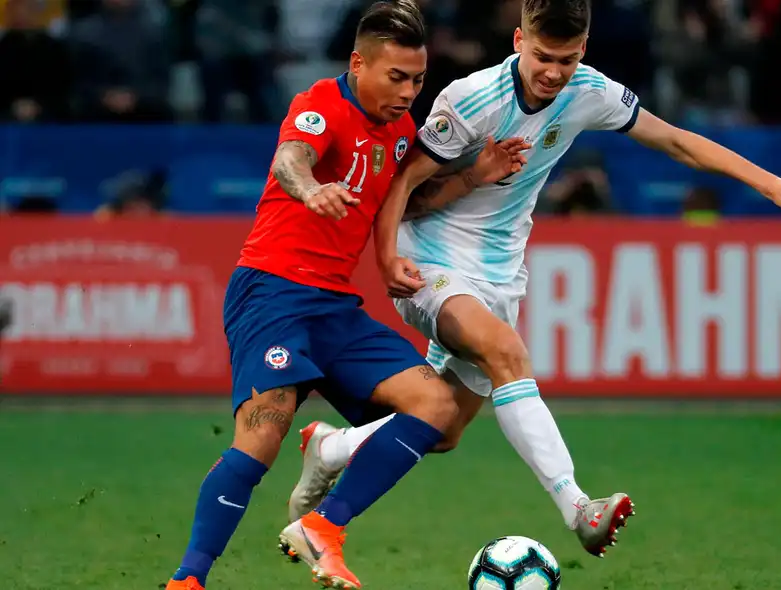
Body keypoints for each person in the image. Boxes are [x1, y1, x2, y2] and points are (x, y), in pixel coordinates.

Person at [286, 0, 781, 561]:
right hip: (431, 262)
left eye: (568, 59)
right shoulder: (471, 99)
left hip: (501, 275)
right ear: (518, 41)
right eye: (544, 56)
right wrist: (388, 261)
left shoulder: (590, 91)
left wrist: (769, 182)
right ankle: (579, 509)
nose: (554, 72)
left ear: (584, 51)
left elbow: (674, 139)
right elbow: (402, 186)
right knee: (507, 354)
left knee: (444, 428)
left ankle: (334, 446)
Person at [164, 2, 528, 589]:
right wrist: (310, 190)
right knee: (260, 441)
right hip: (272, 292)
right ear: (358, 64)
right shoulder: (320, 105)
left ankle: (325, 526)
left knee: (435, 410)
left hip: (334, 307)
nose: (410, 91)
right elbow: (291, 160)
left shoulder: (400, 131)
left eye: (418, 79)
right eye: (396, 77)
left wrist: (472, 175)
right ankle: (188, 581)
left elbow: (404, 203)